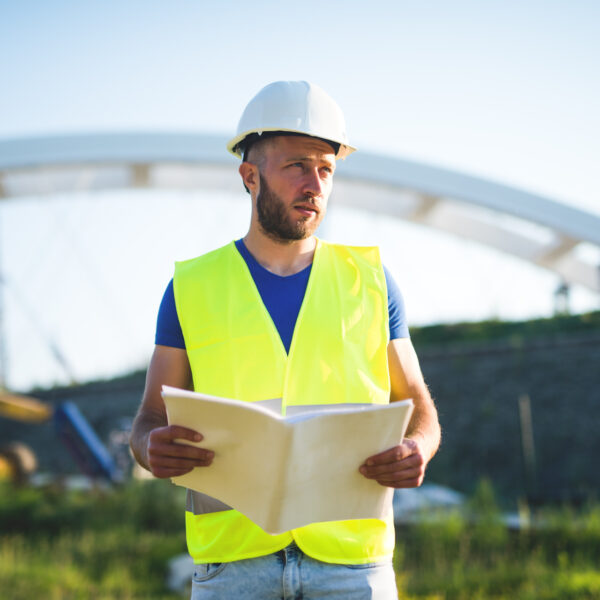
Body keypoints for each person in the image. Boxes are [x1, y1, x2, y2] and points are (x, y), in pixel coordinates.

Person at [130, 80, 441, 599]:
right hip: (232, 568)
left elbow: (418, 407)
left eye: (326, 169)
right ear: (250, 176)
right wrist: (148, 449)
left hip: (352, 566)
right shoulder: (191, 288)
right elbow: (149, 421)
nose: (315, 184)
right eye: (297, 165)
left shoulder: (372, 280)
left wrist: (419, 448)